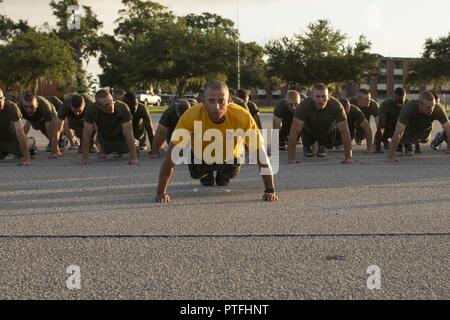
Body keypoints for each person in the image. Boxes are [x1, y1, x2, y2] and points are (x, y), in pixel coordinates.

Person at [155, 80, 278, 203]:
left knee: (228, 174)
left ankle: (221, 174)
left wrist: (270, 190)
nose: (216, 106)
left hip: (230, 158)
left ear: (229, 100)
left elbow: (261, 156)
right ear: (203, 101)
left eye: (221, 101)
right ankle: (207, 174)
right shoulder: (190, 116)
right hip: (200, 158)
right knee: (196, 173)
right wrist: (161, 192)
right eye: (211, 101)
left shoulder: (242, 116)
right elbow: (170, 158)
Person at [288, 83, 353, 163]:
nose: (321, 99)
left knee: (338, 134)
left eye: (323, 96)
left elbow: (344, 131)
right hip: (308, 132)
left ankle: (322, 145)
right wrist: (291, 158)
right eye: (317, 96)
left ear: (328, 97)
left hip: (327, 132)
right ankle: (307, 146)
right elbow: (294, 132)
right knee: (301, 131)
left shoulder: (337, 106)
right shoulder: (303, 106)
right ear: (312, 97)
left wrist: (348, 157)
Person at [387, 91, 450, 161]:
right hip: (408, 132)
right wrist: (391, 157)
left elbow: (448, 128)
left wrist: (449, 148)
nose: (432, 109)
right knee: (398, 133)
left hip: (424, 134)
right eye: (429, 107)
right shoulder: (408, 108)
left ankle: (440, 136)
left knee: (423, 138)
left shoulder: (437, 109)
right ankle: (397, 143)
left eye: (433, 106)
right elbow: (398, 132)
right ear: (420, 105)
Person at [81, 89, 138, 165]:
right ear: (98, 105)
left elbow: (128, 133)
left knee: (124, 149)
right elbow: (86, 134)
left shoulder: (122, 107)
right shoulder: (91, 110)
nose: (111, 106)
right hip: (105, 138)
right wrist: (85, 158)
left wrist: (133, 158)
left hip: (121, 138)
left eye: (111, 102)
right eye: (106, 105)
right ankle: (103, 149)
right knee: (107, 150)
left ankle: (135, 144)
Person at [51, 93, 96, 158]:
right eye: (74, 111)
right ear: (70, 106)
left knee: (92, 127)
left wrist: (102, 150)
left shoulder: (91, 105)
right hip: (74, 121)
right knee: (74, 125)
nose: (77, 113)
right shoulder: (65, 106)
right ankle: (83, 142)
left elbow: (99, 126)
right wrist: (54, 150)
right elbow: (57, 130)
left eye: (79, 111)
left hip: (90, 118)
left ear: (84, 105)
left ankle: (90, 143)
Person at [0, 89, 33, 166]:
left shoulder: (11, 108)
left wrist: (26, 158)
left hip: (13, 141)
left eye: (0, 98)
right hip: (1, 143)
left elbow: (20, 134)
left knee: (24, 150)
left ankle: (31, 143)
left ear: (4, 98)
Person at [379, 87, 409, 154]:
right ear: (393, 96)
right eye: (397, 100)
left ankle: (407, 145)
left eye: (401, 101)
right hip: (390, 127)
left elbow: (413, 122)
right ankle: (389, 143)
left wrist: (417, 147)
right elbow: (381, 123)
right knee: (382, 125)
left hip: (404, 127)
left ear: (405, 97)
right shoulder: (385, 104)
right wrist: (378, 144)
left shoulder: (409, 104)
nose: (399, 103)